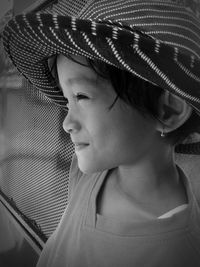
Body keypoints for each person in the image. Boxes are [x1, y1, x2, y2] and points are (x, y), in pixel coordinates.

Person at [2, 0, 200, 266]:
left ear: (168, 110)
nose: (66, 122)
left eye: (81, 96)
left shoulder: (178, 254)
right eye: (66, 99)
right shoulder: (87, 173)